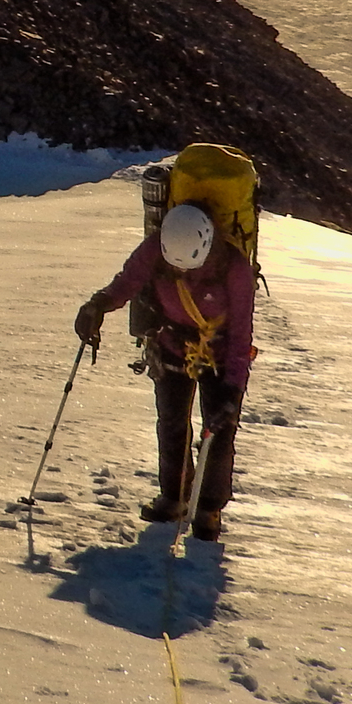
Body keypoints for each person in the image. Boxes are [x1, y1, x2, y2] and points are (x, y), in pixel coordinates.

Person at [75, 200, 254, 542]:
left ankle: (208, 508)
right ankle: (175, 497)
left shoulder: (234, 268)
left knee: (218, 431)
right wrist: (98, 305)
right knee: (172, 422)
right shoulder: (157, 248)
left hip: (217, 355)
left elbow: (240, 336)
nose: (183, 275)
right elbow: (128, 281)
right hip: (171, 343)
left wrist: (233, 389)